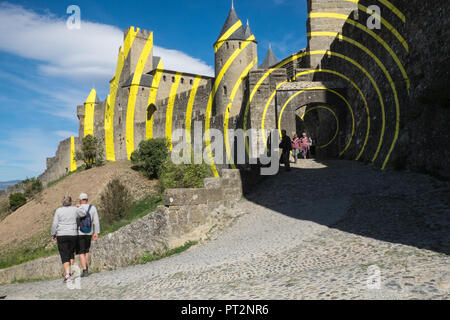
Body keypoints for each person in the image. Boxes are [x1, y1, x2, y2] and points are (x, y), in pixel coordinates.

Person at [51, 195, 86, 283]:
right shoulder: (75, 209)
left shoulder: (58, 210)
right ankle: (70, 272)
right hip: (73, 234)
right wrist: (79, 207)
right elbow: (83, 214)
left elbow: (55, 224)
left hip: (62, 235)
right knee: (71, 253)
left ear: (62, 202)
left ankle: (67, 274)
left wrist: (53, 234)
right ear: (70, 202)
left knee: (64, 254)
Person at [75, 193, 100, 278]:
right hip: (89, 232)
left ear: (80, 200)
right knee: (86, 251)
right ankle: (86, 268)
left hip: (80, 233)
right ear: (87, 199)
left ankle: (85, 270)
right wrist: (96, 232)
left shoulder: (78, 208)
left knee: (81, 252)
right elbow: (96, 221)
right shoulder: (92, 208)